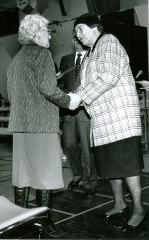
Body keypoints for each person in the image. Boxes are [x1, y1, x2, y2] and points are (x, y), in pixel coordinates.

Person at [68, 14, 146, 232]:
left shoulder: (108, 41)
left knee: (126, 165)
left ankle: (139, 208)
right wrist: (76, 96)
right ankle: (120, 203)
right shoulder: (91, 52)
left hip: (120, 118)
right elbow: (89, 83)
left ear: (96, 28)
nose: (77, 34)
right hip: (103, 121)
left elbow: (109, 76)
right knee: (111, 166)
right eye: (76, 31)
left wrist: (79, 97)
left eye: (80, 28)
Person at [7, 13, 77, 237]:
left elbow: (13, 94)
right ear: (36, 33)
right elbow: (48, 89)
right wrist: (69, 101)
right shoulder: (43, 53)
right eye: (47, 31)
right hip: (41, 125)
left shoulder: (16, 59)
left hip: (20, 124)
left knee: (23, 175)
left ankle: (18, 222)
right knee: (45, 176)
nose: (49, 35)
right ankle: (45, 222)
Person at [58, 35, 97, 195]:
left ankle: (89, 180)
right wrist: (67, 94)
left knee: (87, 148)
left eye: (79, 39)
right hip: (68, 110)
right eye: (73, 39)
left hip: (85, 110)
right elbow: (60, 83)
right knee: (69, 144)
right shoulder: (65, 59)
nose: (76, 42)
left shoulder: (93, 57)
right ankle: (77, 175)